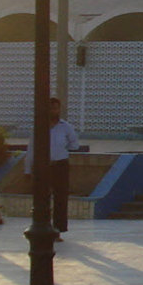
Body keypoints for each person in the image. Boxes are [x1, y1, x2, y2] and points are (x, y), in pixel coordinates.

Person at [46, 98, 82, 237]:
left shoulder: (66, 127)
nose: (53, 111)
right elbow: (32, 148)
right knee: (43, 198)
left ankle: (58, 229)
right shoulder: (40, 126)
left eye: (55, 108)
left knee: (60, 197)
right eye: (50, 108)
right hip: (44, 165)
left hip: (60, 164)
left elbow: (74, 144)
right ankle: (44, 227)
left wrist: (61, 149)